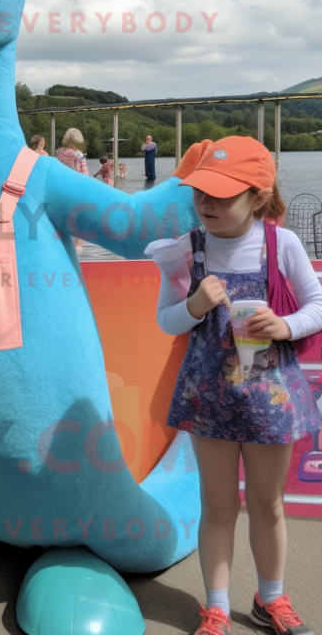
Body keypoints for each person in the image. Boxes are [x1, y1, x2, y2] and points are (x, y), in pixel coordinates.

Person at [152, 136, 322, 635]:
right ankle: (217, 607)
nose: (207, 203)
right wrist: (195, 305)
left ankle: (271, 599)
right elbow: (166, 321)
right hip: (210, 397)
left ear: (257, 195)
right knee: (219, 504)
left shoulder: (282, 243)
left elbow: (318, 304)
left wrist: (286, 325)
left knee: (268, 504)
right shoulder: (187, 250)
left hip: (271, 396)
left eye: (223, 194)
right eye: (201, 191)